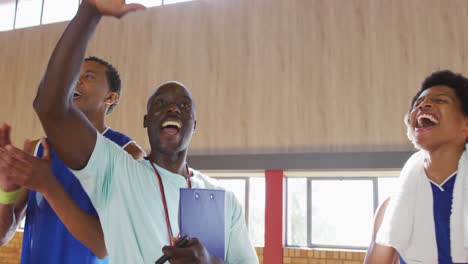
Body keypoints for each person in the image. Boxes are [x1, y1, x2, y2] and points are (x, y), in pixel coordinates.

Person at [7, 0, 258, 263]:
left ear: (194, 125)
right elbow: (51, 107)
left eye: (183, 106)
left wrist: (211, 261)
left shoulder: (223, 200)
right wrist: (88, 13)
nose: (172, 109)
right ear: (146, 121)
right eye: (161, 104)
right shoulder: (118, 171)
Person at [0, 55, 145, 264]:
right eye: (74, 76)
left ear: (111, 97)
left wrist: (48, 186)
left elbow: (103, 246)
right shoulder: (37, 148)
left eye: (88, 76)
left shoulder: (128, 153)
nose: (76, 81)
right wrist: (6, 192)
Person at [365, 70, 468, 263]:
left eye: (441, 100)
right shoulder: (392, 207)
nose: (423, 105)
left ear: (466, 124)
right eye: (417, 104)